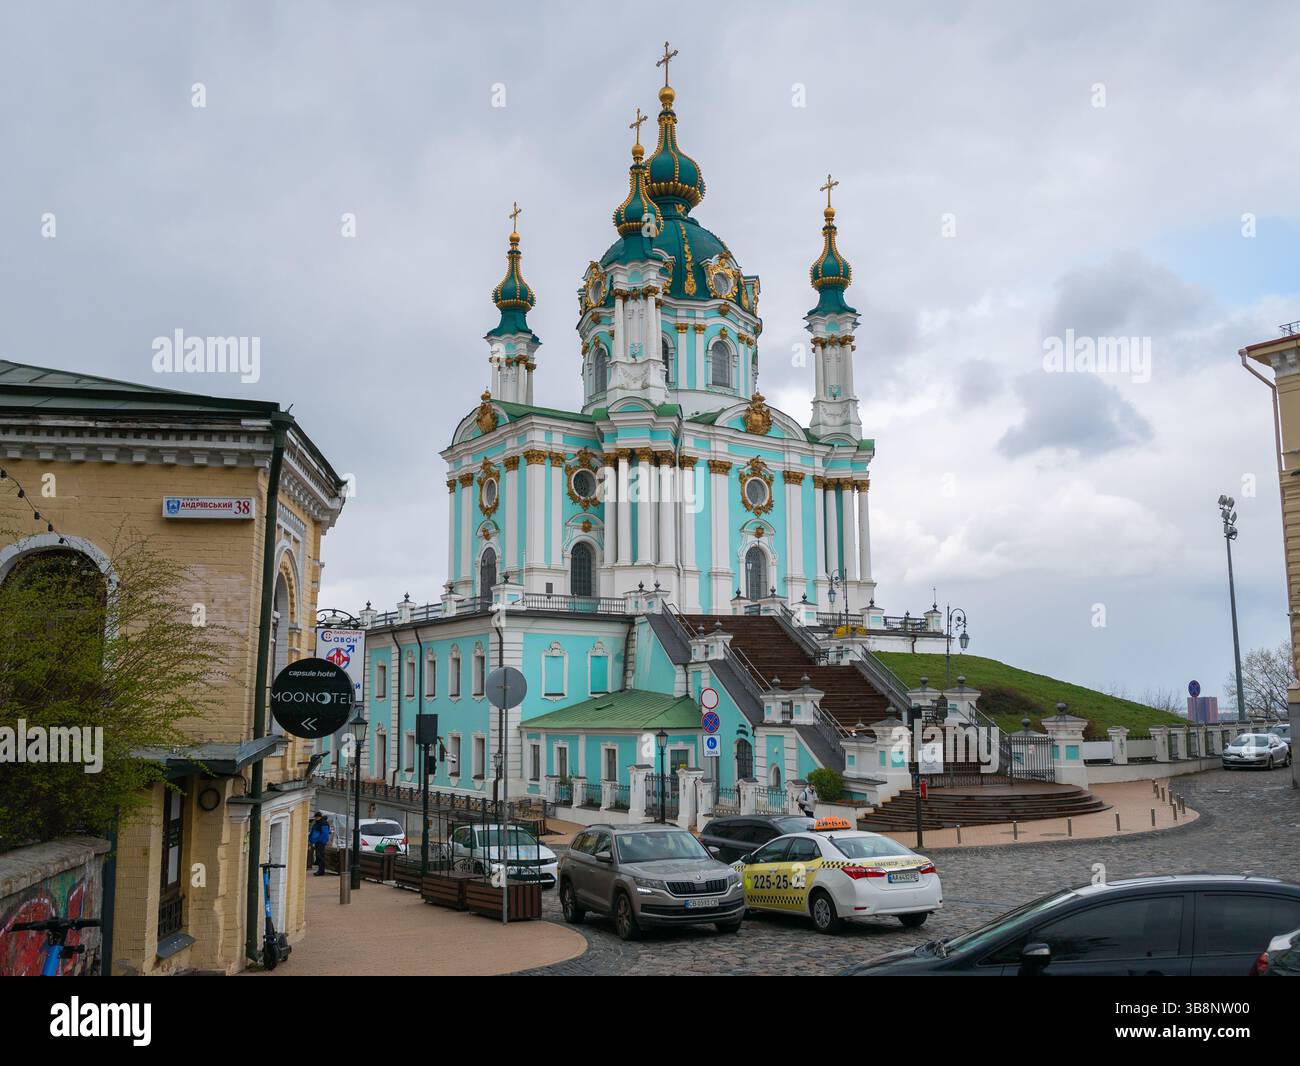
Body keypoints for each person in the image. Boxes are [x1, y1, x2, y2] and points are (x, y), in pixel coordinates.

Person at [308, 811, 331, 876]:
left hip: (320, 842)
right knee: (319, 856)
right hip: (317, 841)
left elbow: (324, 834)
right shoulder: (318, 823)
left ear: (318, 817)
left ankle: (321, 871)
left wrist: (319, 840)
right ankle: (320, 870)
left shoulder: (323, 823)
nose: (315, 818)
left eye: (315, 817)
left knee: (320, 856)